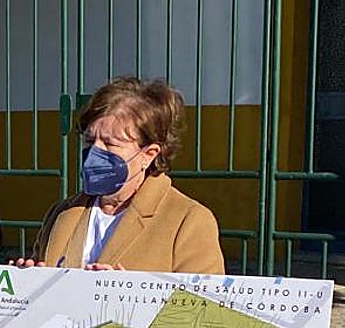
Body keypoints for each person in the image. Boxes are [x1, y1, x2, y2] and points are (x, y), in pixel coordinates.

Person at [20, 76, 224, 273]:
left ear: (149, 154)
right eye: (90, 141)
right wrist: (25, 280)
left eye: (110, 143)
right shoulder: (62, 213)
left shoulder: (189, 221)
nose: (94, 153)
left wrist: (125, 291)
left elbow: (201, 297)